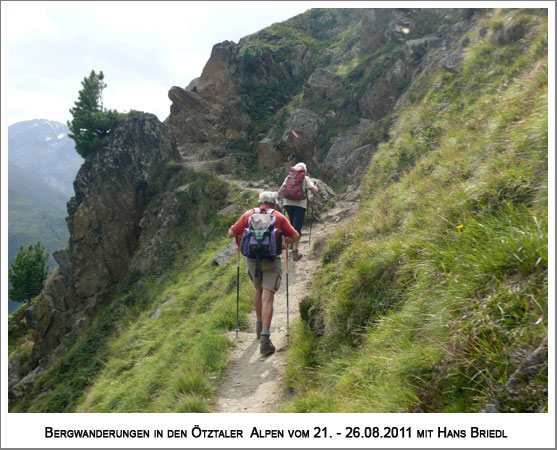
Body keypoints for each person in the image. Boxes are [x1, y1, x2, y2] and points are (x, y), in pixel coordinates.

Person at [228, 191, 300, 356]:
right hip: (271, 261)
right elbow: (295, 235)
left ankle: (258, 326)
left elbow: (231, 233)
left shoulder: (248, 214)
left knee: (257, 290)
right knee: (268, 296)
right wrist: (287, 240)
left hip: (252, 261)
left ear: (260, 202)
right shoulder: (279, 217)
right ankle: (265, 339)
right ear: (274, 203)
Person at [277, 162, 318, 261]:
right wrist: (316, 186)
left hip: (287, 203)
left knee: (290, 224)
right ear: (304, 171)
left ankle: (290, 244)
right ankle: (295, 251)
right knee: (297, 226)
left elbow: (279, 192)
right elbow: (315, 191)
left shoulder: (288, 177)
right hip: (300, 204)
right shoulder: (305, 178)